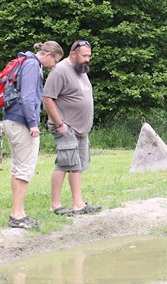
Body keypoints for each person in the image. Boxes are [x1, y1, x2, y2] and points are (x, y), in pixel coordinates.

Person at [1, 41, 64, 229]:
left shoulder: (27, 62)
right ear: (47, 55)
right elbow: (28, 97)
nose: (54, 66)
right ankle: (17, 215)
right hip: (21, 122)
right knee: (24, 169)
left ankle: (18, 212)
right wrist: (33, 124)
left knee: (19, 168)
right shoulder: (31, 65)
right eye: (54, 61)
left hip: (12, 120)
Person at [44, 40, 102, 215]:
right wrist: (60, 124)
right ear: (73, 54)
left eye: (89, 56)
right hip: (66, 126)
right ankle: (55, 204)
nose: (87, 60)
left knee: (77, 166)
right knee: (64, 163)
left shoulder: (81, 70)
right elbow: (47, 98)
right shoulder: (60, 70)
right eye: (84, 56)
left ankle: (79, 204)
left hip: (81, 129)